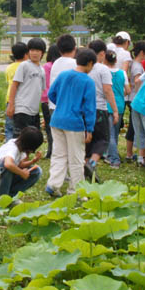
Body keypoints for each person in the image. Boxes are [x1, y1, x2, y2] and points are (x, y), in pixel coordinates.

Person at [45, 48, 97, 197]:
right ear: (89, 63)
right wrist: (90, 129)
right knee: (76, 158)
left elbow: (51, 94)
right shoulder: (88, 81)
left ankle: (53, 184)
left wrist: (61, 104)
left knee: (59, 154)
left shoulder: (63, 75)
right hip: (75, 123)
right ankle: (76, 191)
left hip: (57, 119)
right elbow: (89, 109)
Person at [0, 126, 43, 205]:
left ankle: (10, 197)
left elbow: (20, 165)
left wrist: (33, 161)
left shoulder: (20, 145)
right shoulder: (12, 148)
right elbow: (8, 164)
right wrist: (22, 173)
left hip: (3, 177)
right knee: (8, 167)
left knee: (36, 171)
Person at [86, 40, 119, 175]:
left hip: (85, 109)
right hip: (99, 109)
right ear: (102, 54)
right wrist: (115, 111)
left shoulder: (83, 67)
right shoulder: (102, 69)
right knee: (103, 140)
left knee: (88, 140)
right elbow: (107, 90)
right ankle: (91, 164)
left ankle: (86, 165)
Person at [7, 38, 46, 136]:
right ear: (28, 52)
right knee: (20, 140)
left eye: (37, 50)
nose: (34, 53)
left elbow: (41, 90)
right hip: (22, 109)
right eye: (32, 50)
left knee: (33, 140)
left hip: (34, 112)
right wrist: (11, 105)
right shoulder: (24, 66)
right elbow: (14, 85)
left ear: (42, 53)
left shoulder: (42, 70)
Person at [104, 50, 130, 169]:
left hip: (108, 105)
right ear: (116, 60)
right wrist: (120, 95)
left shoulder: (104, 72)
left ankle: (114, 159)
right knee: (115, 132)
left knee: (110, 134)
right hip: (120, 105)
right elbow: (128, 91)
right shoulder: (123, 73)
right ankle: (111, 154)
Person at [125, 41, 145, 163]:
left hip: (131, 98)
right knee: (134, 128)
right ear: (141, 53)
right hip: (135, 98)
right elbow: (137, 81)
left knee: (132, 127)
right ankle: (130, 153)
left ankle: (129, 153)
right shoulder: (137, 66)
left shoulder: (132, 64)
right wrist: (141, 92)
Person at [4, 43, 29, 141]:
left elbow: (8, 82)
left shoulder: (9, 68)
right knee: (21, 129)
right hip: (22, 101)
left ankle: (7, 150)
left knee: (9, 128)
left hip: (9, 100)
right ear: (26, 54)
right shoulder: (26, 67)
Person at [41, 44, 60, 159]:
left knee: (49, 127)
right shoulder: (59, 66)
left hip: (45, 99)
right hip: (57, 100)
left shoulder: (46, 66)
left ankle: (50, 150)